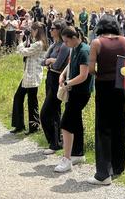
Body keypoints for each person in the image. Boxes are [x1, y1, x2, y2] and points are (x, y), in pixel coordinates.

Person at [87, 15, 125, 186]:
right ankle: (118, 166)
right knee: (119, 124)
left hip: (104, 86)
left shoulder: (97, 43)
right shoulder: (124, 40)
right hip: (120, 85)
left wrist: (98, 74)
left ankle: (103, 172)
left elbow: (91, 68)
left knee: (103, 127)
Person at [54, 26, 92, 173]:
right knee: (76, 122)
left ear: (74, 38)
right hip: (74, 90)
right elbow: (70, 65)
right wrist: (62, 74)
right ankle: (78, 153)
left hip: (81, 92)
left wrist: (67, 83)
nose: (65, 44)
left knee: (66, 124)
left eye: (66, 41)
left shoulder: (84, 51)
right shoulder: (74, 48)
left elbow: (84, 75)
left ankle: (67, 159)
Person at [11, 21, 48, 134]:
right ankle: (31, 126)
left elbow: (23, 52)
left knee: (22, 98)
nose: (31, 32)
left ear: (37, 31)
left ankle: (27, 126)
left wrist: (20, 40)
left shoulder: (39, 44)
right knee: (30, 100)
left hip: (32, 76)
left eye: (32, 30)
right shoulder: (40, 42)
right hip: (31, 75)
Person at [40, 19, 70, 154]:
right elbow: (43, 61)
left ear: (59, 30)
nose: (50, 30)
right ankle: (55, 142)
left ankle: (54, 141)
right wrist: (51, 61)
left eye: (53, 28)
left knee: (46, 112)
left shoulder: (64, 46)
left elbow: (58, 66)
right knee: (54, 111)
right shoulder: (54, 44)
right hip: (50, 77)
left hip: (57, 79)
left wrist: (50, 62)